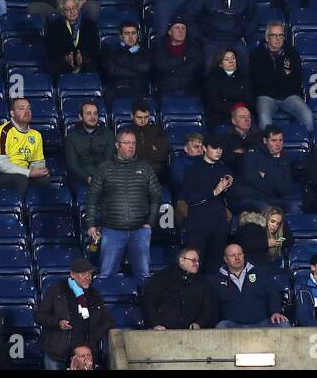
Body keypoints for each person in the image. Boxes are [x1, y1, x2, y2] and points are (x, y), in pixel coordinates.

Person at [86, 126, 163, 279]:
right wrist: (91, 224)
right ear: (117, 145)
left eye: (133, 143)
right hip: (112, 231)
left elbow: (156, 196)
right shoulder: (104, 169)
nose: (131, 146)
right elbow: (92, 198)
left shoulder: (145, 168)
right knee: (106, 275)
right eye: (127, 143)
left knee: (143, 276)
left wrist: (150, 223)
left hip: (140, 231)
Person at [35, 258, 112, 370]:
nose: (87, 278)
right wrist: (58, 323)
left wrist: (92, 340)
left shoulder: (94, 295)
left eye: (90, 274)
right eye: (83, 274)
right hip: (57, 353)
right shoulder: (56, 291)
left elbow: (108, 321)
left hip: (83, 354)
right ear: (73, 274)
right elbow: (39, 316)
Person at [175, 136, 235, 273]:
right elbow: (189, 198)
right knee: (194, 266)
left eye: (220, 148)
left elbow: (231, 199)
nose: (218, 151)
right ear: (204, 148)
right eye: (214, 148)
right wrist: (214, 192)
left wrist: (228, 189)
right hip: (198, 225)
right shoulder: (192, 170)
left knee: (215, 267)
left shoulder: (225, 170)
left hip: (219, 225)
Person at [0, 98, 49, 195]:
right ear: (12, 113)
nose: (27, 112)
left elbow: (38, 161)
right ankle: (19, 209)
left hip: (21, 174)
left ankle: (35, 209)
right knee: (21, 180)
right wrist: (29, 173)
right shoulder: (3, 132)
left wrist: (40, 171)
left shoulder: (36, 135)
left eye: (29, 109)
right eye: (21, 108)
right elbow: (1, 164)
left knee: (43, 180)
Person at [214, 242, 290, 329]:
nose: (237, 257)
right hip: (233, 325)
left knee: (283, 324)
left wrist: (275, 312)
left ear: (243, 255)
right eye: (232, 255)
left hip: (262, 322)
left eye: (239, 254)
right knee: (221, 326)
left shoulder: (260, 273)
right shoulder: (217, 280)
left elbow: (273, 293)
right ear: (225, 259)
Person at [142, 247, 218, 330]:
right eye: (193, 260)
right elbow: (149, 301)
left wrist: (199, 323)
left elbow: (209, 307)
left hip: (192, 331)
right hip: (163, 329)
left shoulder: (203, 282)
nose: (197, 263)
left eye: (198, 261)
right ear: (182, 261)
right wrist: (155, 324)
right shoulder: (161, 277)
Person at [44, 0, 100, 79]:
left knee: (93, 67)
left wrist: (84, 57)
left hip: (86, 64)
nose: (72, 11)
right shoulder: (54, 27)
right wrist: (65, 58)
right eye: (68, 9)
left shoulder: (90, 24)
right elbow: (51, 50)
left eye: (74, 7)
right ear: (62, 11)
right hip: (63, 65)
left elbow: (95, 48)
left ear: (78, 7)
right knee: (53, 67)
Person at [201, 47, 253, 134]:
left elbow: (249, 98)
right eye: (226, 59)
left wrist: (241, 110)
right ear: (220, 63)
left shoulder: (243, 77)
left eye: (233, 58)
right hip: (221, 114)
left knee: (248, 121)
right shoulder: (212, 77)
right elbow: (214, 101)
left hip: (242, 113)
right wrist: (234, 109)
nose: (231, 61)